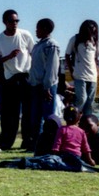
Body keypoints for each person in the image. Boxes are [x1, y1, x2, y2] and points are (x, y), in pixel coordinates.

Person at [0, 9, 34, 152]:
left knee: (28, 112)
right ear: (4, 22)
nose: (14, 23)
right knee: (10, 114)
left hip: (26, 76)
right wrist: (8, 57)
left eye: (16, 21)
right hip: (10, 78)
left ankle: (28, 141)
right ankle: (5, 143)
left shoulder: (25, 35)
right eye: (11, 21)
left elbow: (34, 52)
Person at [27, 18, 60, 152]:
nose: (36, 31)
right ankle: (36, 144)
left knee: (48, 118)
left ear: (46, 29)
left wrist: (47, 87)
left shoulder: (51, 45)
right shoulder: (38, 45)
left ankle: (51, 144)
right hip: (35, 85)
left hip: (46, 86)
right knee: (35, 117)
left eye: (38, 28)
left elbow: (52, 68)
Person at [64, 20, 99, 116]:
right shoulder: (75, 39)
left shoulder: (95, 41)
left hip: (93, 76)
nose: (93, 31)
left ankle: (87, 121)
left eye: (94, 29)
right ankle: (73, 118)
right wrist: (71, 70)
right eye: (91, 28)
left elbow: (96, 58)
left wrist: (97, 70)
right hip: (80, 74)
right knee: (81, 99)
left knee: (90, 101)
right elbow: (67, 55)